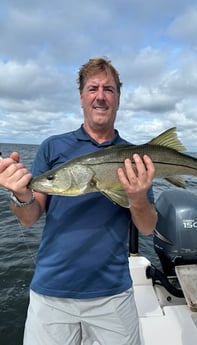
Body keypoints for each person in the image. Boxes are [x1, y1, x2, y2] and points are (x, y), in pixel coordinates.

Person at [0, 57, 157, 345]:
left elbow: (147, 228)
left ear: (118, 99)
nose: (100, 96)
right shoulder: (53, 146)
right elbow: (29, 218)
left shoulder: (136, 156)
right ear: (82, 97)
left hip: (113, 294)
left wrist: (137, 198)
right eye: (93, 88)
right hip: (51, 292)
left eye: (109, 89)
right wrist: (22, 194)